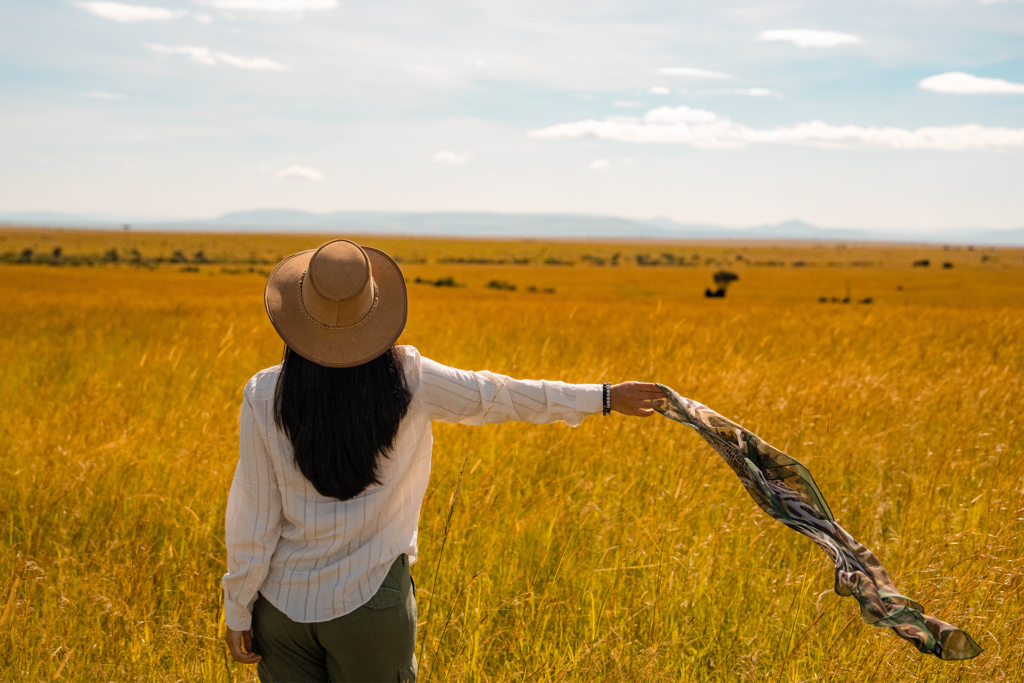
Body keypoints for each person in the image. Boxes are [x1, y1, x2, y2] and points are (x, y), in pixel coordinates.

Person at [222, 239, 665, 682]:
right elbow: (504, 395)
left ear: (298, 314)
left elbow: (253, 516)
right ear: (375, 312)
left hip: (281, 611)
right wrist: (604, 397)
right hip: (370, 606)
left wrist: (238, 608)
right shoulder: (411, 377)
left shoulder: (263, 393)